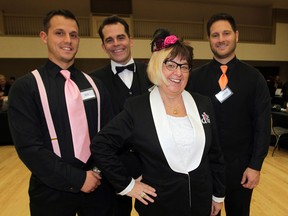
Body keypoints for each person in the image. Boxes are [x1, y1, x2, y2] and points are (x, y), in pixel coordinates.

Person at [91, 28, 226, 216]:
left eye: (184, 66)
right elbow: (101, 145)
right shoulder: (137, 107)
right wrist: (127, 185)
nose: (178, 72)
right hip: (159, 206)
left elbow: (215, 154)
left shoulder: (203, 103)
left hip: (202, 204)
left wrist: (218, 196)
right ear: (156, 66)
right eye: (170, 65)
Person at [8, 9, 115, 216]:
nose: (68, 40)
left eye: (73, 35)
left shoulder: (96, 85)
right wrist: (77, 179)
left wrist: (95, 174)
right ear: (44, 37)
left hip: (98, 187)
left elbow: (109, 136)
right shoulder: (26, 87)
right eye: (59, 33)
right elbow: (29, 148)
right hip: (50, 191)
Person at [187, 13, 271, 216]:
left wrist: (255, 165)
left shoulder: (254, 78)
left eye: (226, 33)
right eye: (215, 35)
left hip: (242, 169)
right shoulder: (194, 78)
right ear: (209, 39)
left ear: (237, 36)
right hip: (204, 168)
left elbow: (262, 125)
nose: (221, 39)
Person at [90, 15, 152, 216]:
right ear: (103, 46)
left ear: (131, 40)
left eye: (121, 37)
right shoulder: (93, 81)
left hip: (153, 167)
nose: (116, 44)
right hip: (113, 172)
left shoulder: (153, 72)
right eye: (109, 40)